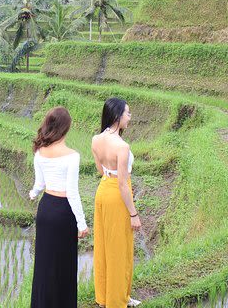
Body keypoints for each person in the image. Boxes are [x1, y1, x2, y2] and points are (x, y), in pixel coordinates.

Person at [29, 106, 89, 307]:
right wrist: (82, 224)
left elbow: (39, 184)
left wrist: (33, 194)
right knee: (63, 264)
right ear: (66, 128)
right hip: (63, 213)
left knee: (44, 263)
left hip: (46, 209)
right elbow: (72, 192)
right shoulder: (72, 156)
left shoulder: (40, 151)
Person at [92, 97, 142, 308]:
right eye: (127, 113)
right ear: (117, 116)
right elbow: (123, 185)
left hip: (103, 190)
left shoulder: (96, 139)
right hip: (117, 195)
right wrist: (133, 214)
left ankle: (105, 298)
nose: (130, 117)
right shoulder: (122, 146)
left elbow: (100, 171)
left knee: (104, 246)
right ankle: (118, 300)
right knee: (119, 249)